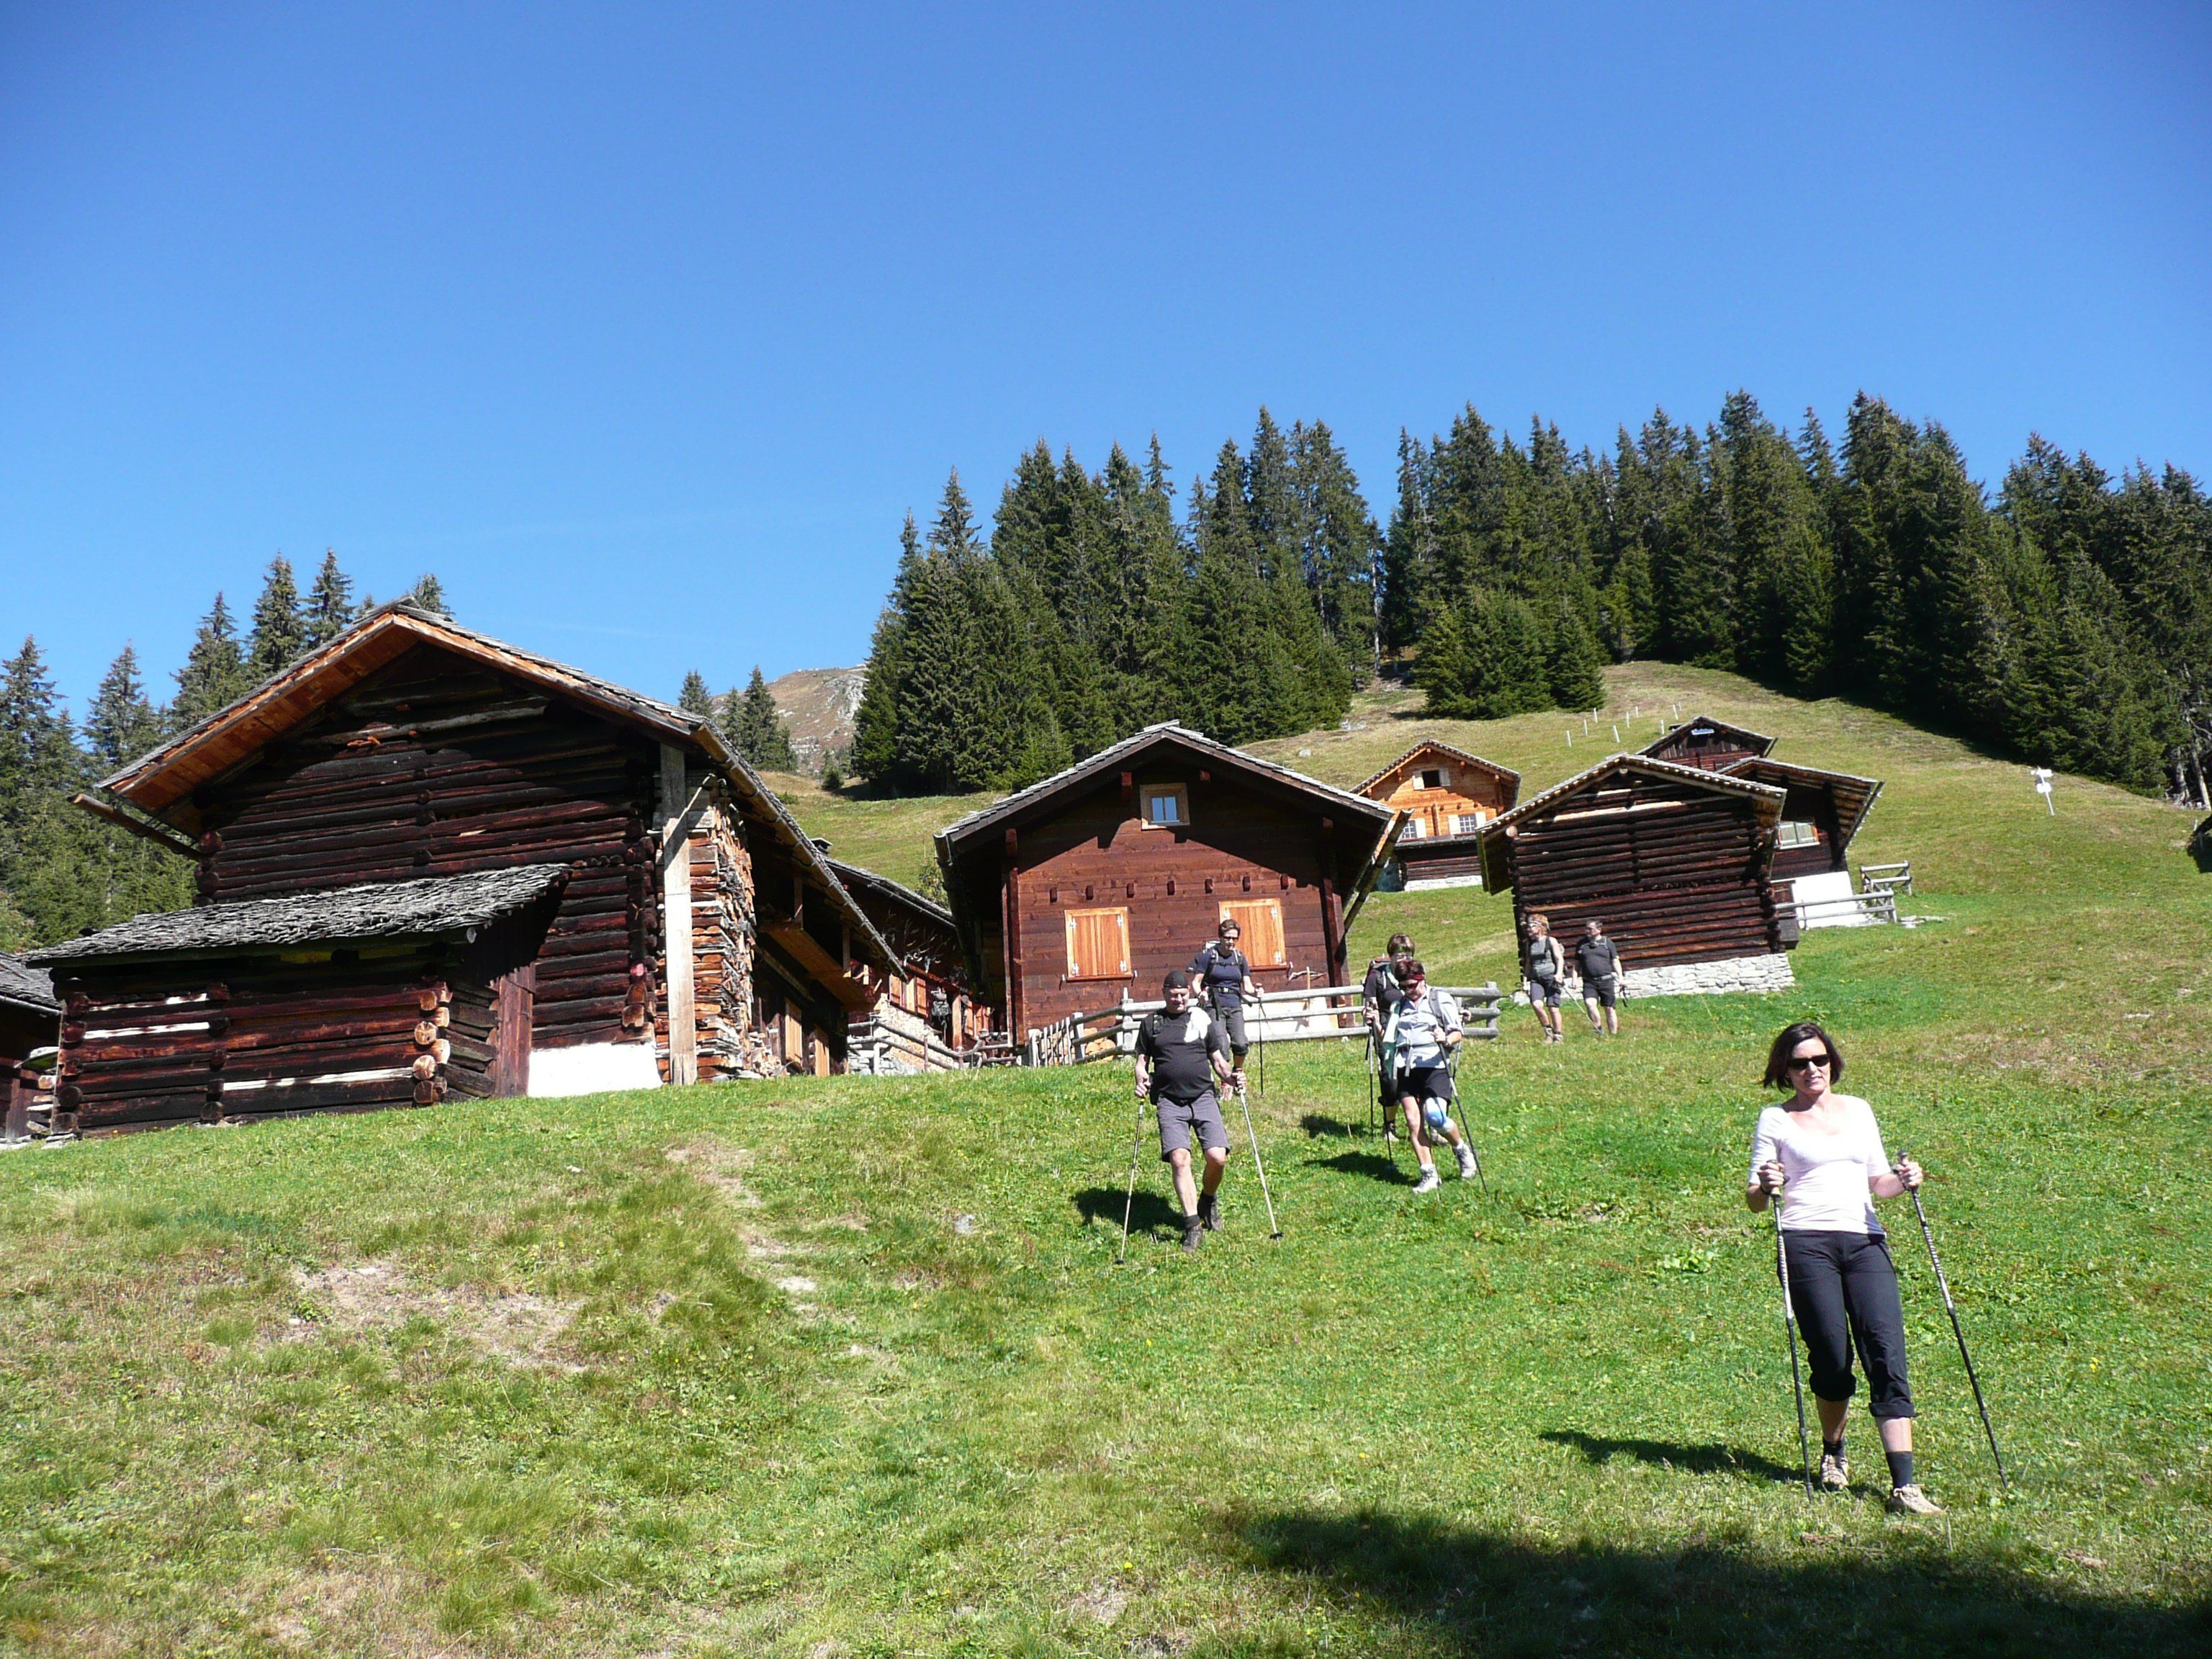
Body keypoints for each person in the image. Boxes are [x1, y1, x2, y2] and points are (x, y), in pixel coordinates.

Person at [1747, 1021, 1941, 1516]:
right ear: (1785, 1071)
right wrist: (1767, 1185)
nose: (1812, 1069)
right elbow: (1755, 1199)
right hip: (1805, 1241)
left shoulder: (1859, 1110)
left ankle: (1904, 1486)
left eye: (1820, 1059)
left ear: (1832, 1061)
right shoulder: (1775, 1119)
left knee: (1885, 1352)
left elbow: (1879, 1183)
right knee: (1833, 1357)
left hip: (1864, 1241)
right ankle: (1834, 1451)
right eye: (1800, 1063)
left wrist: (1906, 1179)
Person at [1133, 969, 1245, 1251]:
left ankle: (1207, 1200)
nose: (1179, 1000)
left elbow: (1218, 1060)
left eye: (1183, 995)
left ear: (1189, 994)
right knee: (1180, 1159)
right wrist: (1141, 1079)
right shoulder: (1152, 1024)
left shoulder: (1200, 1019)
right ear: (1164, 994)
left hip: (1203, 1096)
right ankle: (1192, 1225)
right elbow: (1141, 1063)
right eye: (1173, 995)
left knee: (1218, 1157)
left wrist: (1231, 1077)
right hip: (1170, 1101)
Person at [1381, 960, 1480, 1192]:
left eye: (1412, 986)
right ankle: (1429, 1175)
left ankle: (1461, 1150)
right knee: (1413, 1122)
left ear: (1422, 979)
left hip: (1435, 1066)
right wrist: (1374, 1022)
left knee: (1435, 1116)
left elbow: (1457, 1032)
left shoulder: (1439, 999)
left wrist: (1445, 1038)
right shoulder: (1399, 1006)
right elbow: (1388, 1037)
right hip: (1407, 1067)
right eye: (1403, 987)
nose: (1408, 991)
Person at [1190, 917, 1259, 1068]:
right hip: (1214, 1006)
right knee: (1221, 1045)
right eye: (1228, 938)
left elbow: (1248, 986)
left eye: (1234, 938)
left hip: (1234, 1006)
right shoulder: (1209, 956)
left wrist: (1257, 992)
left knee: (1241, 1043)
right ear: (1221, 937)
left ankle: (1238, 1071)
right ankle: (1226, 1078)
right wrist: (1200, 994)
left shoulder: (1240, 958)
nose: (1231, 942)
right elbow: (1196, 982)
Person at [1361, 932, 1418, 1119]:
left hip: (1412, 1029)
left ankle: (1421, 1122)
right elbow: (1368, 1005)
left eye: (1408, 956)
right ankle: (1390, 1124)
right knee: (1390, 1078)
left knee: (1417, 1073)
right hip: (1386, 1032)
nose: (1405, 960)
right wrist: (1370, 1015)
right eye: (1400, 956)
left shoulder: (1415, 976)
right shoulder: (1378, 977)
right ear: (1391, 957)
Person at [1521, 913, 1568, 1043]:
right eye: (1528, 927)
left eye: (1532, 926)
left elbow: (1559, 959)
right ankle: (1548, 1031)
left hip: (1551, 977)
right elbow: (1528, 964)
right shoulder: (1530, 944)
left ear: (1540, 927)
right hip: (1536, 979)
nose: (1529, 929)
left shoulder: (1550, 941)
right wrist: (1525, 981)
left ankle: (1558, 1035)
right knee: (1536, 1005)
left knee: (1553, 1008)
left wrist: (1559, 974)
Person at [1575, 919, 1624, 1037]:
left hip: (1606, 980)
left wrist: (1620, 977)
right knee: (1590, 1004)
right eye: (1586, 929)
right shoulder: (1582, 944)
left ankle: (1613, 1035)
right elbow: (1577, 963)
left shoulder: (1608, 943)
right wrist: (1574, 978)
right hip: (1589, 982)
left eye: (1590, 929)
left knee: (1609, 1008)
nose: (1587, 931)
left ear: (1599, 930)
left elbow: (1615, 961)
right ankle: (1599, 1030)